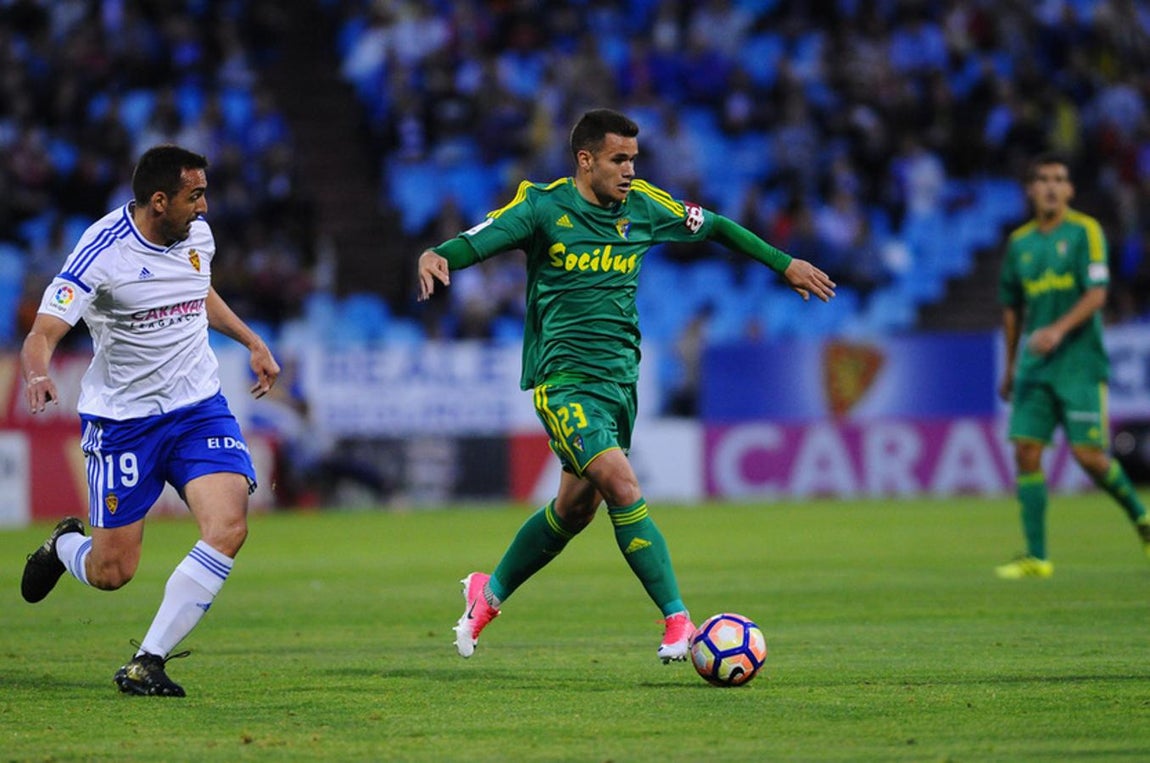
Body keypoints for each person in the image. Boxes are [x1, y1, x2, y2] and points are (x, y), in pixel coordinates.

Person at [417, 109, 835, 662]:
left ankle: (486, 593)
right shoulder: (543, 207)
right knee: (624, 486)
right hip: (563, 382)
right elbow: (479, 239)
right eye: (619, 159)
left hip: (620, 383)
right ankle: (678, 620)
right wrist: (436, 255)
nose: (630, 170)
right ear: (585, 160)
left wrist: (782, 264)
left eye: (634, 159)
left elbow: (715, 226)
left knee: (573, 511)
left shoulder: (645, 207)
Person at [19, 145, 280, 696]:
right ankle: (64, 547)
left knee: (229, 526)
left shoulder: (196, 237)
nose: (205, 207)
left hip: (197, 407)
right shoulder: (101, 252)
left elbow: (197, 289)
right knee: (112, 572)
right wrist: (37, 374)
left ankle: (147, 660)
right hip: (125, 423)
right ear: (159, 201)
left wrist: (252, 340)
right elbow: (43, 332)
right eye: (195, 195)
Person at [995, 152, 1149, 579]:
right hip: (1034, 366)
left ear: (1069, 189)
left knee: (1089, 456)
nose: (1050, 186)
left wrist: (1058, 330)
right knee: (1026, 451)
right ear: (1030, 190)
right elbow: (1012, 309)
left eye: (1058, 179)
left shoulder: (1086, 232)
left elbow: (1097, 295)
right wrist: (1009, 367)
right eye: (1042, 179)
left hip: (1079, 362)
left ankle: (1142, 518)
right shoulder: (1019, 244)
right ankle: (1037, 557)